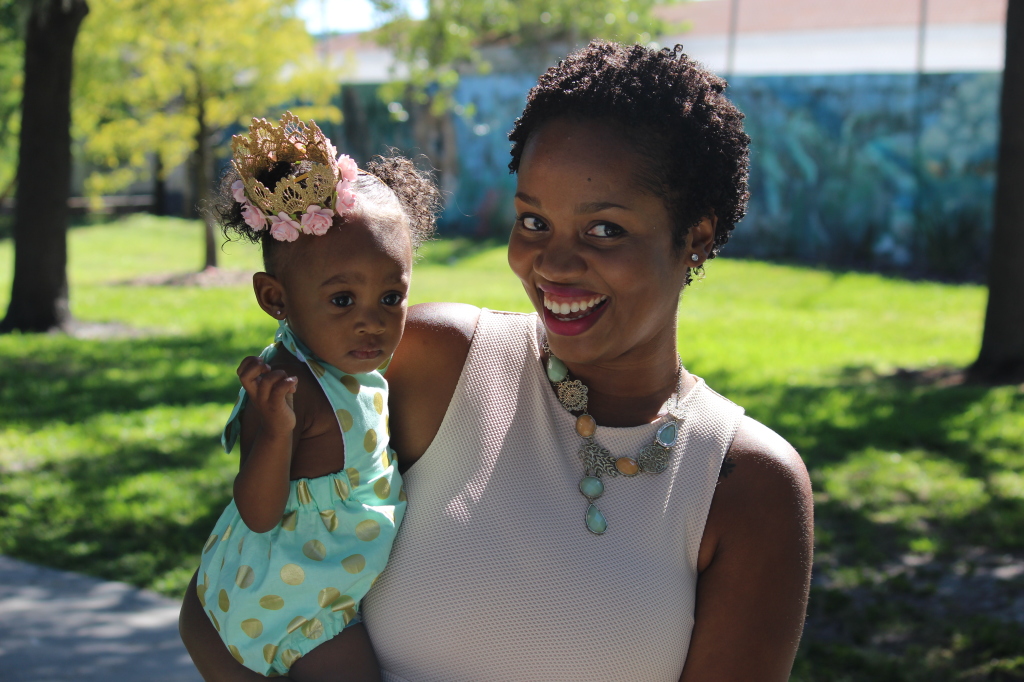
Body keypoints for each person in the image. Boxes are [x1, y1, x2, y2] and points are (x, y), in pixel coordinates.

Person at [181, 42, 813, 681]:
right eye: (533, 220)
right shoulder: (427, 364)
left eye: (604, 230)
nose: (554, 266)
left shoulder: (748, 488)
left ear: (696, 237)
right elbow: (219, 608)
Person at [187, 113, 440, 680]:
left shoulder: (343, 365)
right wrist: (274, 432)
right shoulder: (287, 389)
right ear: (275, 297)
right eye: (343, 301)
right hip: (294, 611)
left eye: (391, 297)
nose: (372, 323)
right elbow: (257, 512)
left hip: (321, 584)